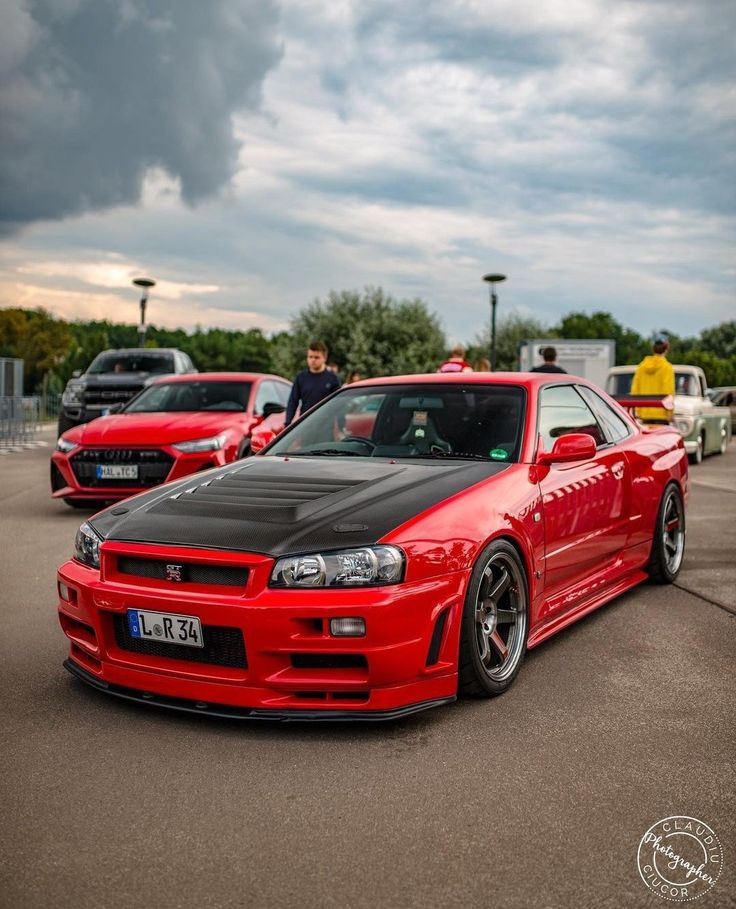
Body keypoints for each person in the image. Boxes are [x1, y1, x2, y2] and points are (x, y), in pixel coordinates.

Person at [285, 341, 341, 426]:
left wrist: (341, 426)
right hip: (305, 424)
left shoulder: (332, 378)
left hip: (326, 425)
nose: (313, 360)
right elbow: (293, 401)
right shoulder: (301, 377)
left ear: (324, 358)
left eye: (316, 357)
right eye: (310, 357)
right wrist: (287, 422)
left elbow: (338, 404)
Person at [631, 334, 675, 424]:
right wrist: (670, 412)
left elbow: (635, 390)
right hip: (662, 414)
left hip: (645, 413)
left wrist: (638, 411)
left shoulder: (641, 367)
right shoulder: (667, 367)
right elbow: (668, 391)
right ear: (666, 349)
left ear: (653, 349)